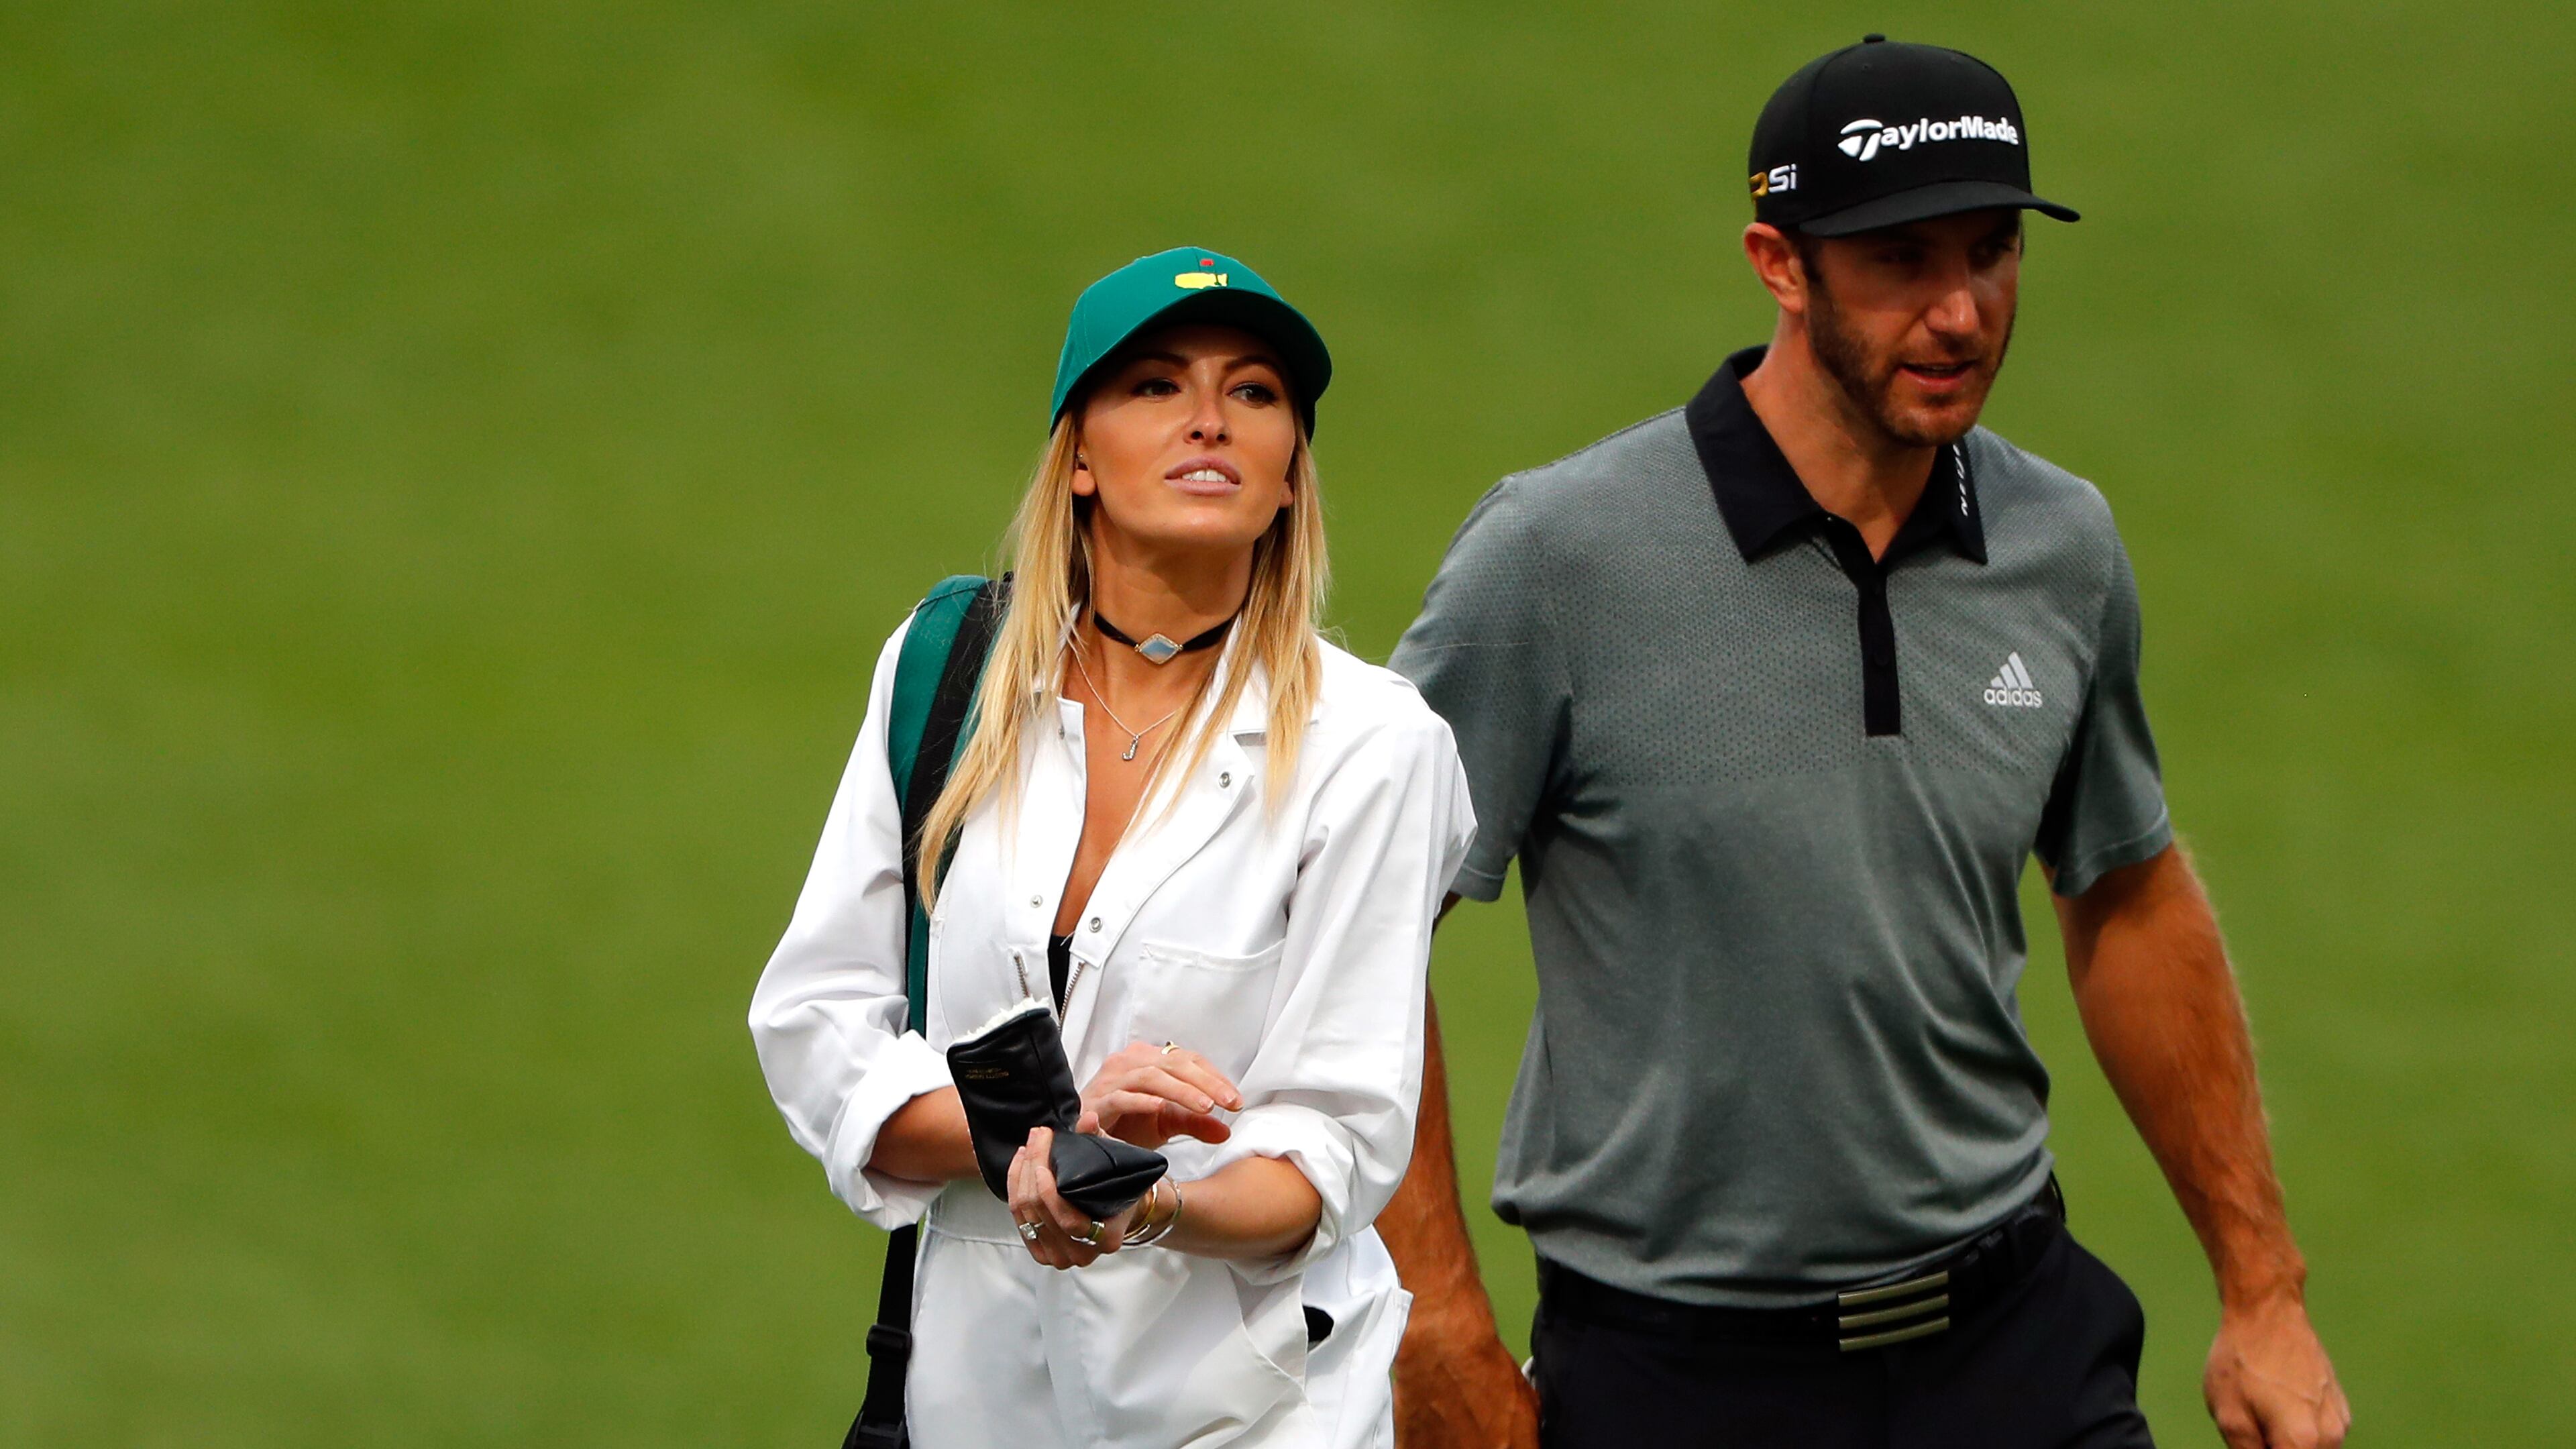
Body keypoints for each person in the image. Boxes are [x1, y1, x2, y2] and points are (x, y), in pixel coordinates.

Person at [1381, 37, 2351, 1449]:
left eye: (1990, 251)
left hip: (2016, 1346)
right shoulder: (1557, 558)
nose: (1960, 312)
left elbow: (2127, 889)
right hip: (1678, 1378)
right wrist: (1437, 1315)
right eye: (1900, 261)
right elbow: (1358, 918)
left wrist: (2264, 1289)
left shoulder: (2059, 545)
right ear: (1780, 263)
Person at [750, 246, 1477, 1449]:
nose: (1209, 421)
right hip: (972, 1398)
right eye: (1153, 386)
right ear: (1077, 456)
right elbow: (817, 1022)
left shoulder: (1377, 745)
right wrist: (1052, 1139)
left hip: (1261, 1415)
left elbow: (1334, 1146)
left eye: (1254, 393)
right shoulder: (947, 673)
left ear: (1291, 471)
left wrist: (1130, 1202)